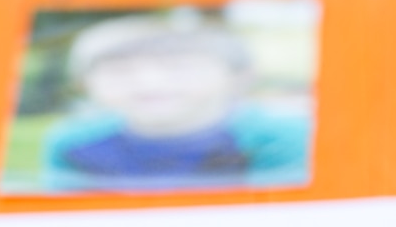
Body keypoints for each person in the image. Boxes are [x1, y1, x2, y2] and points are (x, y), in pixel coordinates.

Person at [43, 11, 312, 191]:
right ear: (83, 84)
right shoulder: (75, 142)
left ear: (238, 77)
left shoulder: (282, 136)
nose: (149, 83)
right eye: (120, 70)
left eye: (179, 66)